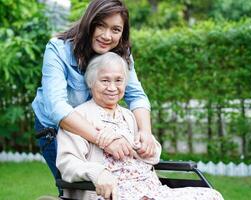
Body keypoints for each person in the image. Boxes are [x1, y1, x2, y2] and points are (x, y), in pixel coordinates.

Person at [57, 52, 224, 200]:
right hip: (114, 192)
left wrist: (147, 147)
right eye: (105, 80)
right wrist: (98, 173)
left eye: (118, 80)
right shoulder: (78, 118)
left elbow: (153, 156)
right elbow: (68, 163)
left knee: (211, 196)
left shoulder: (128, 116)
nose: (112, 87)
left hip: (152, 190)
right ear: (91, 82)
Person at [32, 0, 155, 187]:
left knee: (113, 183)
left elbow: (136, 95)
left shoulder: (122, 53)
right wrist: (104, 140)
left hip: (99, 127)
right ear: (89, 23)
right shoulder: (58, 49)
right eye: (101, 26)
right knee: (76, 188)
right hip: (56, 130)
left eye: (115, 30)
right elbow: (57, 108)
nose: (107, 36)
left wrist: (145, 132)